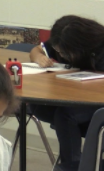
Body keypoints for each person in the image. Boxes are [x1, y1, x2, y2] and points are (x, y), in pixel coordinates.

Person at [29, 15, 104, 166]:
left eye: (62, 52)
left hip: (99, 100)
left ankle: (73, 165)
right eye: (57, 50)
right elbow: (37, 50)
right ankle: (78, 161)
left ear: (79, 46)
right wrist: (38, 57)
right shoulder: (61, 40)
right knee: (39, 108)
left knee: (65, 116)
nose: (60, 54)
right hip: (80, 96)